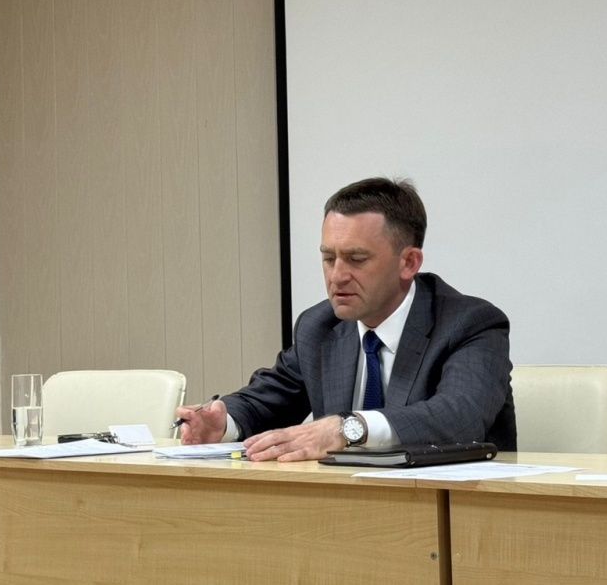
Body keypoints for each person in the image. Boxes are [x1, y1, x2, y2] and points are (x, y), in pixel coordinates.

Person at [176, 176, 515, 461]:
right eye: (329, 258)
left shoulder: (470, 324)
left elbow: (460, 416)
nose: (337, 276)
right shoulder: (320, 326)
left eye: (356, 259)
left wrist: (348, 428)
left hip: (453, 505)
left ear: (409, 262)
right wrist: (223, 423)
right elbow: (267, 401)